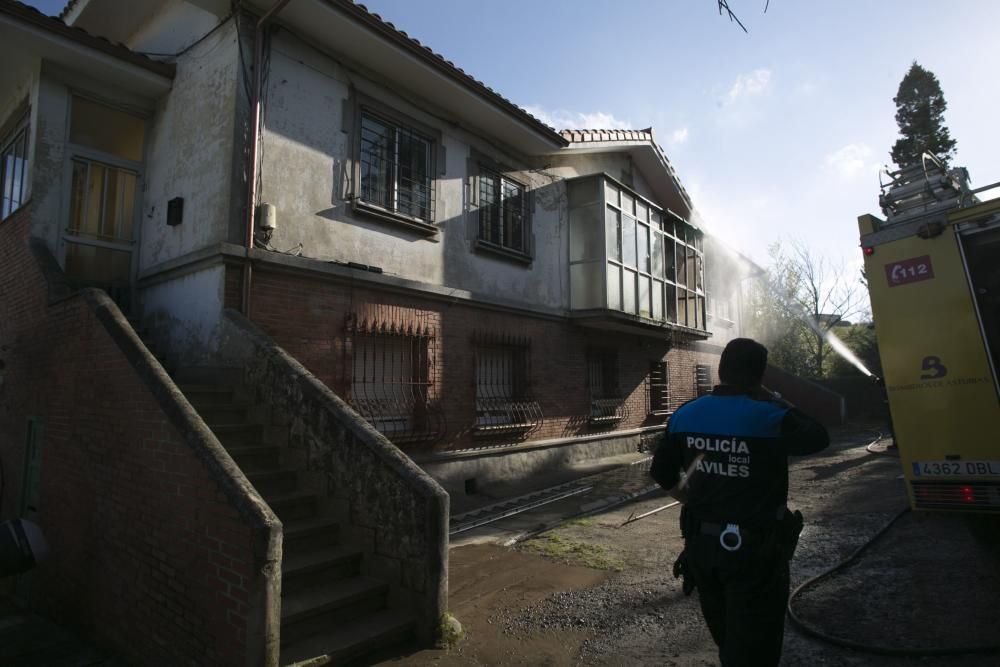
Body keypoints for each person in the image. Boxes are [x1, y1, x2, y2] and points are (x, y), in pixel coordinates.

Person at [650, 338, 829, 667]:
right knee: (754, 649)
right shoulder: (771, 416)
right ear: (760, 376)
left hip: (702, 549)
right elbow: (818, 436)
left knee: (727, 637)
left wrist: (689, 499)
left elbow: (660, 472)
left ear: (721, 371)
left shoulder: (686, 413)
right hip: (755, 553)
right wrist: (779, 400)